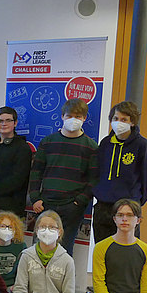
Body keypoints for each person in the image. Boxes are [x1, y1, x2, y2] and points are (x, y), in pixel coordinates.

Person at [29, 98, 98, 255]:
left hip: (72, 207)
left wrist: (79, 202)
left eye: (78, 116)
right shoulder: (47, 142)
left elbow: (93, 179)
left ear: (84, 119)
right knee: (39, 248)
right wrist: (35, 198)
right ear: (62, 116)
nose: (73, 120)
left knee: (64, 252)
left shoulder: (91, 147)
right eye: (69, 116)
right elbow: (36, 172)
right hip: (45, 204)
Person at [92, 101, 147, 242]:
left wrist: (135, 201)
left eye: (124, 119)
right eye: (116, 119)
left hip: (128, 207)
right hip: (103, 206)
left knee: (127, 252)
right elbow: (97, 171)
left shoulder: (143, 146)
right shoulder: (106, 143)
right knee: (102, 251)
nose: (119, 122)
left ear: (132, 122)